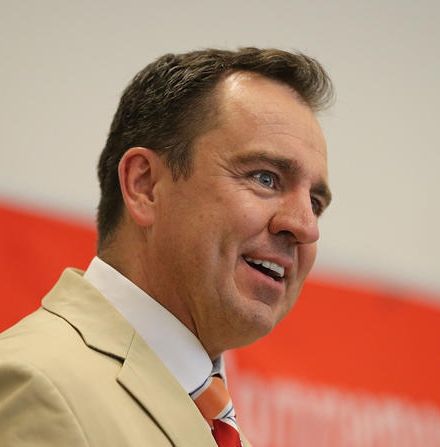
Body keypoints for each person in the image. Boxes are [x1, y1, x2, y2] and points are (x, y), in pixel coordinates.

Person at [0, 48, 333, 446]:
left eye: (315, 203)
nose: (305, 227)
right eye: (265, 178)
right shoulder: (37, 385)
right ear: (145, 186)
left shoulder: (213, 420)